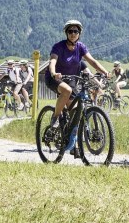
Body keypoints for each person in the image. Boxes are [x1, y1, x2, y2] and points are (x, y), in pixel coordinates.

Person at [45, 20, 110, 154]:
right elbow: (52, 61)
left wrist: (105, 72)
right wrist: (53, 73)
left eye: (76, 31)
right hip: (55, 78)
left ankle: (71, 141)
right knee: (67, 91)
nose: (73, 34)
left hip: (72, 80)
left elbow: (92, 61)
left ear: (79, 33)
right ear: (66, 33)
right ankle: (55, 117)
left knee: (75, 111)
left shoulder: (80, 47)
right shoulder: (59, 46)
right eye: (70, 31)